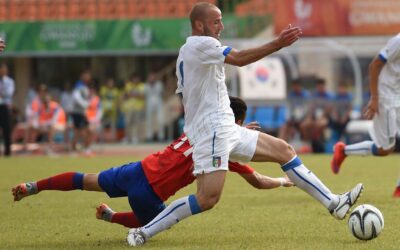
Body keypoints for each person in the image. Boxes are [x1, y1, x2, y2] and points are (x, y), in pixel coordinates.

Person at [127, 3, 363, 246]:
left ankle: (334, 203)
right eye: (216, 21)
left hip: (224, 126)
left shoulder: (191, 49)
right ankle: (142, 233)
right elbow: (238, 59)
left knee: (285, 151)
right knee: (207, 198)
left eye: (221, 20)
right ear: (199, 25)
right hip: (212, 131)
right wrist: (277, 43)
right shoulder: (201, 44)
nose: (222, 26)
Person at [12, 96, 293, 229]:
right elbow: (256, 181)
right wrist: (282, 180)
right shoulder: (223, 147)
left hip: (137, 169)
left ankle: (33, 186)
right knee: (160, 220)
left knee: (85, 180)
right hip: (150, 191)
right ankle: (110, 216)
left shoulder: (198, 124)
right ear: (239, 123)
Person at [331, 33, 400, 196]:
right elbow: (374, 65)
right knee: (385, 149)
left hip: (398, 96)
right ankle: (343, 151)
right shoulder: (398, 42)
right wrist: (375, 98)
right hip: (387, 99)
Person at [70, 70, 92, 155]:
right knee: (78, 132)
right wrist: (86, 104)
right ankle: (74, 150)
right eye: (87, 75)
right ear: (82, 76)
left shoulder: (84, 85)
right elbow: (76, 97)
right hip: (77, 112)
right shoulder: (79, 85)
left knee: (86, 131)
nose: (88, 77)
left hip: (82, 112)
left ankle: (85, 148)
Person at [121, 74, 145, 144]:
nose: (135, 80)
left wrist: (133, 94)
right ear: (132, 79)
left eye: (137, 79)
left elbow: (142, 96)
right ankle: (127, 138)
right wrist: (135, 94)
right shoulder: (128, 85)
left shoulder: (142, 86)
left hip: (138, 108)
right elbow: (126, 95)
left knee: (136, 124)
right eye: (134, 79)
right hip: (128, 108)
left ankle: (135, 138)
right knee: (127, 123)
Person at [144, 72, 164, 142]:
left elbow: (161, 93)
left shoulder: (159, 84)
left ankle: (161, 136)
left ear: (155, 78)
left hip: (158, 102)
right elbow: (145, 95)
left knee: (160, 119)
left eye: (153, 77)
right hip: (149, 103)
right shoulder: (146, 85)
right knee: (149, 120)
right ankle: (149, 137)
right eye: (150, 77)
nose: (151, 79)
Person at [0, 61, 14, 157]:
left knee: (6, 129)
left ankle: (7, 152)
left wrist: (2, 93)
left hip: (5, 106)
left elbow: (9, 94)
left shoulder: (9, 81)